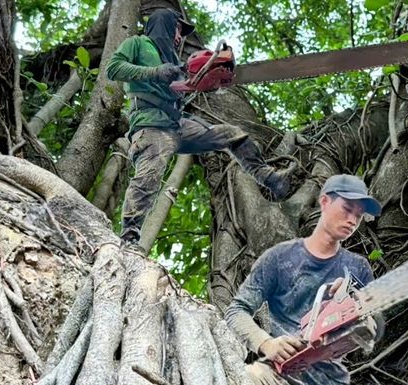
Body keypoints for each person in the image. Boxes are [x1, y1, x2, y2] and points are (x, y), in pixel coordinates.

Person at [106, 9, 298, 249]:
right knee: (149, 176)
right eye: (177, 29)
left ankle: (269, 178)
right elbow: (113, 68)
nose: (179, 37)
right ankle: (129, 236)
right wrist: (154, 72)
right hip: (151, 125)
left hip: (177, 124)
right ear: (165, 24)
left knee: (232, 135)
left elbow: (183, 89)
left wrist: (205, 82)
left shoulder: (174, 62)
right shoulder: (137, 43)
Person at [225, 174, 383, 385]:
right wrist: (266, 343)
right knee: (248, 383)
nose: (352, 220)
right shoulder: (280, 257)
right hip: (276, 374)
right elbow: (236, 311)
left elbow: (375, 331)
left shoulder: (357, 268)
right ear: (324, 202)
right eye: (347, 209)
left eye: (358, 216)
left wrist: (359, 305)